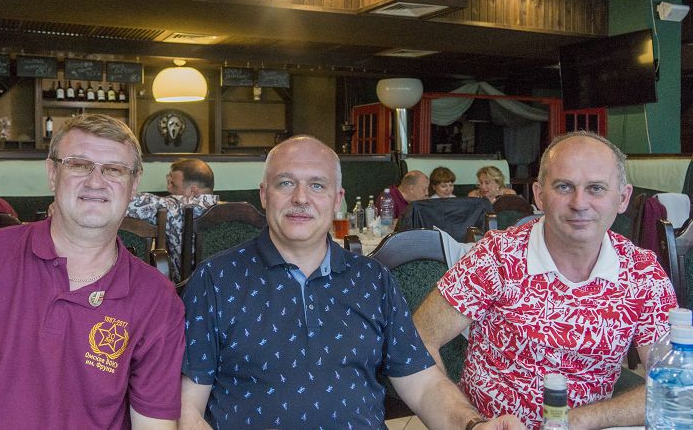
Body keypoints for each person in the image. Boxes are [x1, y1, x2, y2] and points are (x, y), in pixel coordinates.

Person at [180, 135, 523, 430]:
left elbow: (423, 384)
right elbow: (188, 407)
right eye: (285, 183)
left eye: (317, 185)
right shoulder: (215, 280)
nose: (301, 197)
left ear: (337, 199)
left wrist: (473, 425)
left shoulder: (373, 279)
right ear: (264, 194)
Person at [0, 114, 185, 428]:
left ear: (134, 184)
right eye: (78, 165)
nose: (96, 181)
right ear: (52, 173)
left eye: (114, 169)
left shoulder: (157, 299)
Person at [414, 131, 676, 429]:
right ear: (539, 195)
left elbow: (673, 385)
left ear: (623, 198)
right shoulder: (497, 255)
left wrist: (578, 420)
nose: (579, 203)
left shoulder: (642, 272)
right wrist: (469, 423)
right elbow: (419, 341)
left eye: (596, 188)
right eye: (564, 187)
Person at [126, 157, 218, 282]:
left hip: (186, 288)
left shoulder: (174, 207)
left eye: (173, 184)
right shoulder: (234, 212)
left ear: (192, 190)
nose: (168, 188)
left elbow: (123, 202)